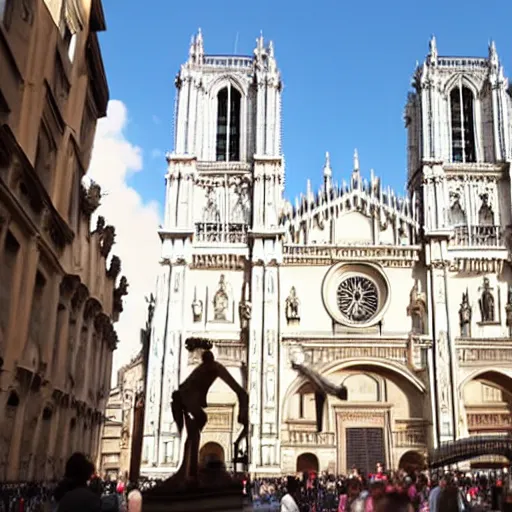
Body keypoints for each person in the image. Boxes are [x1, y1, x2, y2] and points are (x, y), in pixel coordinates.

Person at [170, 350, 249, 484]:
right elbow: (237, 388)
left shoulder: (203, 368)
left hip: (182, 401)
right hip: (186, 401)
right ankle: (190, 474)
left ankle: (190, 473)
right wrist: (243, 409)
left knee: (192, 435)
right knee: (195, 430)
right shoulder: (215, 367)